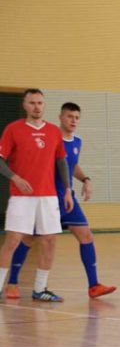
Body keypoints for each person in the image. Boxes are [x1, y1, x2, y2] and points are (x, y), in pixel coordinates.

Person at [5, 102, 116, 300]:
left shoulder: (77, 141)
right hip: (46, 198)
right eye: (69, 117)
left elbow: (71, 166)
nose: (73, 121)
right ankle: (12, 283)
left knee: (86, 236)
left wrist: (86, 179)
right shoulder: (50, 137)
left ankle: (94, 285)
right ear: (60, 117)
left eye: (77, 118)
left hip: (67, 199)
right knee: (27, 239)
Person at [0, 89, 74, 302]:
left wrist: (68, 190)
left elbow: (61, 161)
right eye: (32, 103)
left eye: (40, 103)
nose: (36, 107)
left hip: (48, 197)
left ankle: (40, 289)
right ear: (24, 105)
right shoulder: (13, 129)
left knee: (49, 241)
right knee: (13, 240)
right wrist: (15, 178)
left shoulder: (53, 131)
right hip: (21, 197)